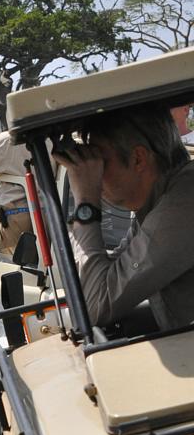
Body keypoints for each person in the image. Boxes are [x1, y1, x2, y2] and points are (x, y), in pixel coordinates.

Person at [52, 103, 194, 331]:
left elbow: (93, 307)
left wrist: (86, 200)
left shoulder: (185, 200)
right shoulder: (158, 203)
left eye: (101, 162)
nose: (94, 173)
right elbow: (109, 278)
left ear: (138, 159)